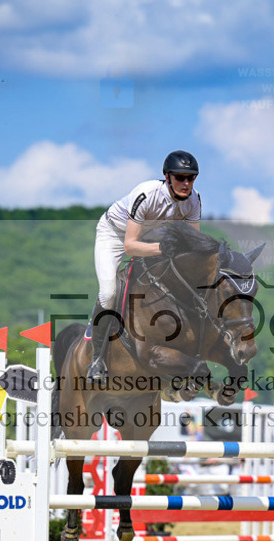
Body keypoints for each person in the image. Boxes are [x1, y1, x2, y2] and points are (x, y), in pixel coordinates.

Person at [87, 150, 203, 383]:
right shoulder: (146, 194)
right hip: (115, 235)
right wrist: (164, 249)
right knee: (108, 293)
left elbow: (193, 245)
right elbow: (130, 246)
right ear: (167, 177)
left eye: (191, 178)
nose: (186, 183)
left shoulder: (194, 200)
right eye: (180, 177)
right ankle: (97, 359)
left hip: (150, 237)